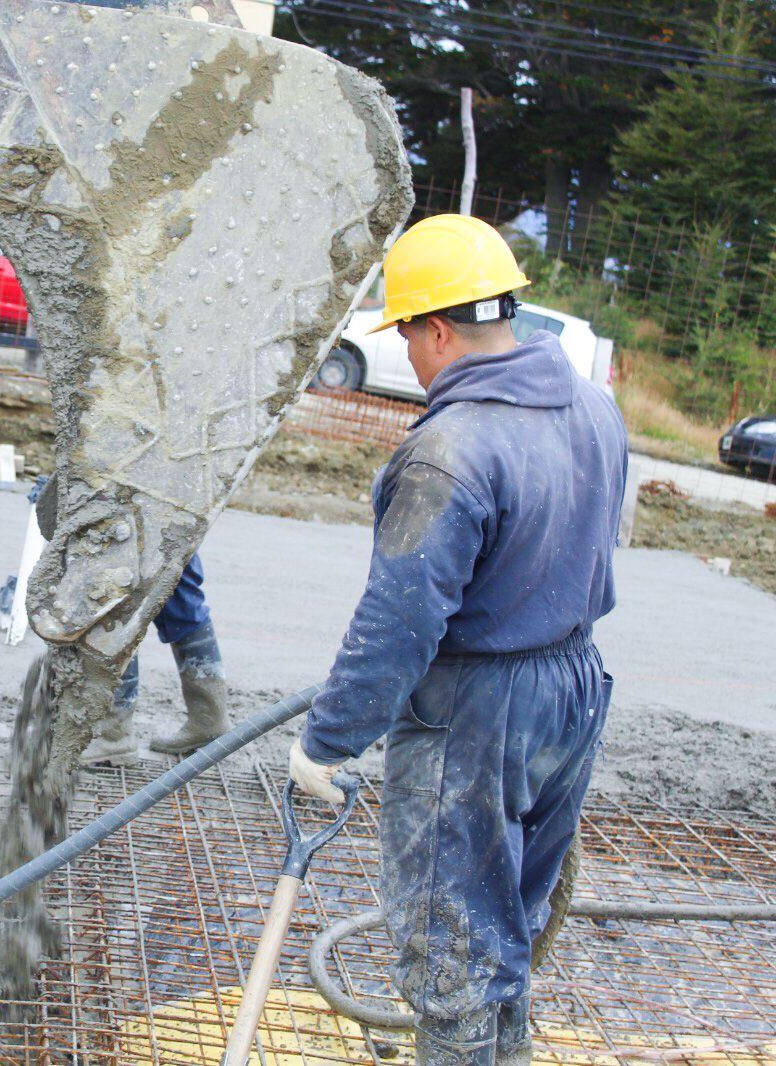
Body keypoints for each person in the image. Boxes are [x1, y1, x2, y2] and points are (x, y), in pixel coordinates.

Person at [287, 215, 627, 1065]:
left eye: (407, 334)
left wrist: (330, 740)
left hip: (477, 713)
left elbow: (399, 620)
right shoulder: (594, 407)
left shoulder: (450, 449)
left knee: (453, 947)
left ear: (436, 328)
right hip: (573, 691)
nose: (407, 353)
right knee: (509, 917)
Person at [32, 475, 230, 764]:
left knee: (113, 593)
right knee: (177, 583)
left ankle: (114, 733)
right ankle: (209, 717)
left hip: (132, 481)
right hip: (176, 485)